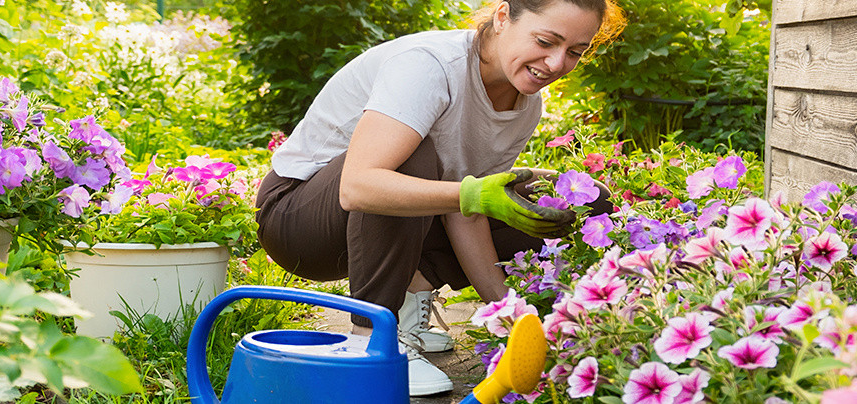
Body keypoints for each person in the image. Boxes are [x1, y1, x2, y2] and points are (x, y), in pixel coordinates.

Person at [254, 0, 623, 396]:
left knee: (583, 200)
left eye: (574, 52)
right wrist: (474, 193)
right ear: (502, 17)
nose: (555, 63)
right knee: (412, 156)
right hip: (298, 220)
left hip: (377, 229)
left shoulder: (525, 104)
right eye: (546, 41)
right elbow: (359, 185)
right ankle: (371, 341)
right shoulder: (429, 66)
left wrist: (513, 319)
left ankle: (409, 302)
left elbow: (465, 210)